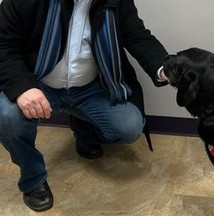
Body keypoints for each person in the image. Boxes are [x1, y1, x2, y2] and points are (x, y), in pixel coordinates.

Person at [0, 0, 169, 212]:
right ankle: (33, 179)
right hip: (39, 83)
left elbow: (138, 37)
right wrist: (23, 88)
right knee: (6, 115)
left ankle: (84, 131)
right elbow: (4, 45)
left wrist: (166, 68)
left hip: (90, 88)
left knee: (129, 126)